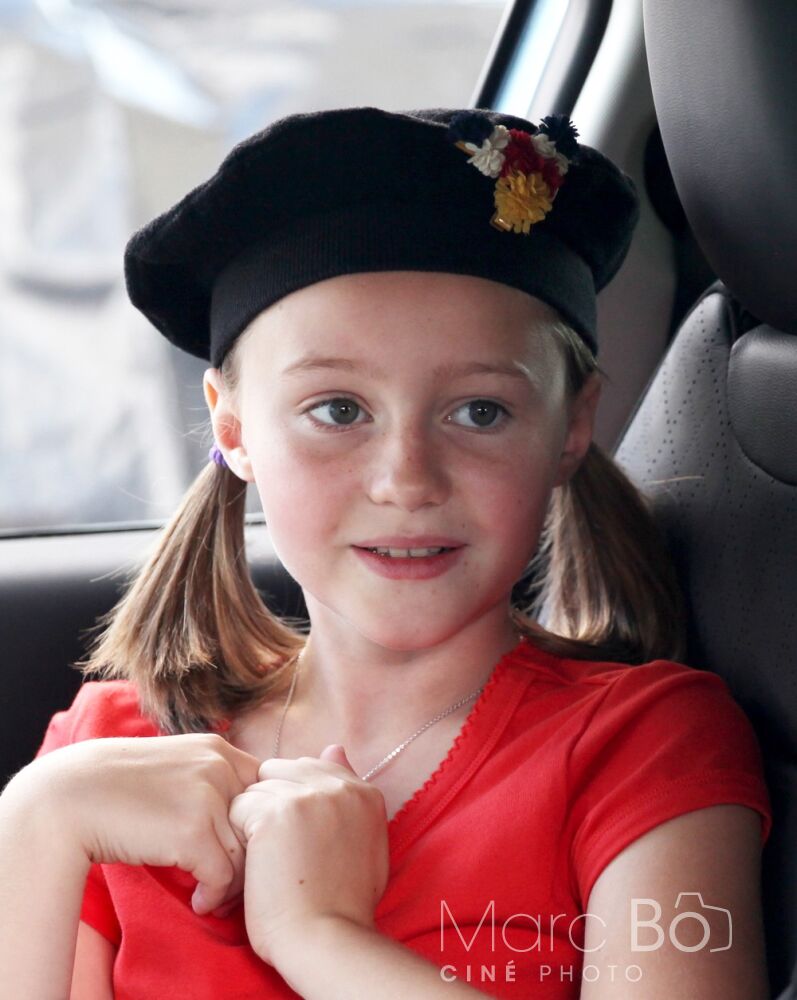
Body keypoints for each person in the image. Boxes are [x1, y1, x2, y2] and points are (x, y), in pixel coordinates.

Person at [0, 107, 772, 999]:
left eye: (479, 411)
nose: (406, 480)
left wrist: (318, 938)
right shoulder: (107, 759)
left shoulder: (641, 747)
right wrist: (33, 822)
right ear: (234, 429)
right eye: (337, 410)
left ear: (571, 426)